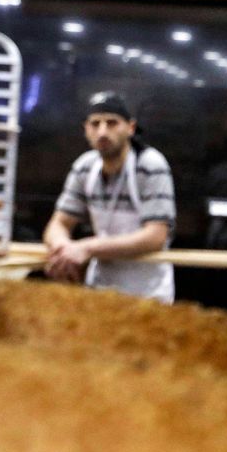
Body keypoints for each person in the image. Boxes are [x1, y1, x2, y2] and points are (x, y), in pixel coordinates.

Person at [43, 91, 176, 301]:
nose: (102, 131)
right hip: (100, 288)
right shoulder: (84, 167)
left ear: (130, 128)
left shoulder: (150, 164)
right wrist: (63, 248)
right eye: (95, 124)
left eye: (112, 123)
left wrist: (86, 248)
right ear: (85, 129)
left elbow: (155, 237)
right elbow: (58, 223)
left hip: (147, 293)